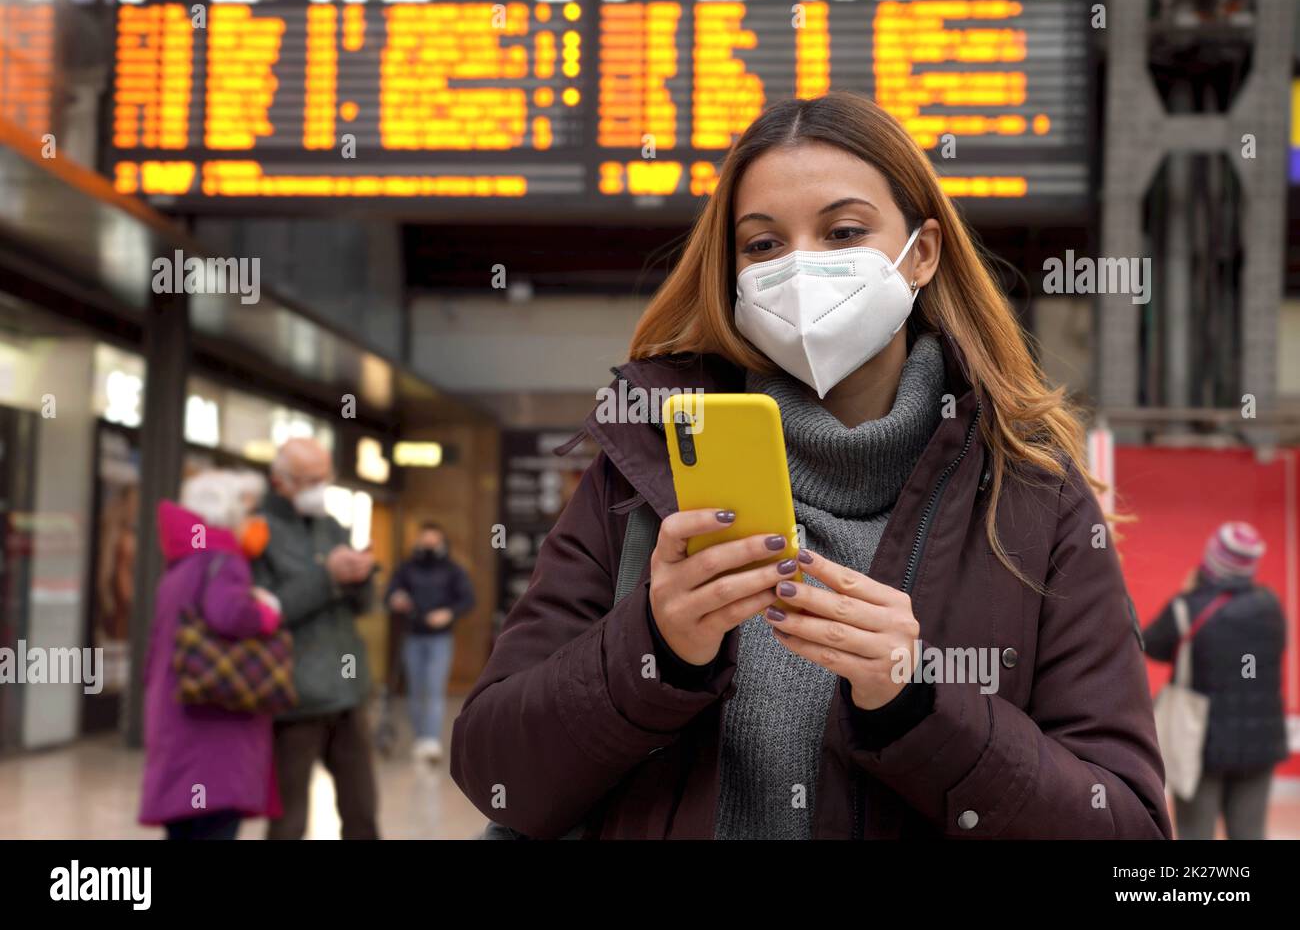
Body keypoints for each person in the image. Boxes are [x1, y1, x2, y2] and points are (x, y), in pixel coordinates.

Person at [451, 92, 1171, 839]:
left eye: (844, 231)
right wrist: (653, 647)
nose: (801, 268)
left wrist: (919, 702)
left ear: (921, 253)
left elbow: (1126, 826)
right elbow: (495, 773)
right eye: (763, 245)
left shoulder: (1032, 499)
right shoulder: (644, 470)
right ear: (732, 273)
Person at [139, 470, 283, 840]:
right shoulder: (223, 560)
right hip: (213, 722)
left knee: (185, 826)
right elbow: (229, 614)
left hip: (177, 711)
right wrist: (267, 611)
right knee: (214, 824)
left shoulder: (184, 560)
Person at [252, 437, 380, 840]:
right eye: (307, 480)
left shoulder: (332, 525)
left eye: (324, 478)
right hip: (294, 696)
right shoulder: (257, 532)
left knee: (362, 812)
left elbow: (362, 607)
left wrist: (362, 576)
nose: (317, 488)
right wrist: (327, 578)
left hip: (348, 692)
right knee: (289, 820)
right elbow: (263, 611)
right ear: (280, 482)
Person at [1144, 522, 1288, 839]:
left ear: (1212, 560)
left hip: (1199, 744)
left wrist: (1188, 593)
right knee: (1249, 833)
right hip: (1259, 745)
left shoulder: (1186, 608)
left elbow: (1151, 645)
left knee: (1196, 832)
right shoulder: (1271, 606)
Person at [385, 522, 475, 762]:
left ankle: (431, 740)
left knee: (434, 688)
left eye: (434, 540)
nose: (429, 545)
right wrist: (397, 598)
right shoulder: (406, 568)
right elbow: (390, 593)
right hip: (412, 635)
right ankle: (420, 737)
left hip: (439, 638)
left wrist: (448, 613)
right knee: (416, 689)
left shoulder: (453, 570)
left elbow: (467, 599)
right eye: (425, 539)